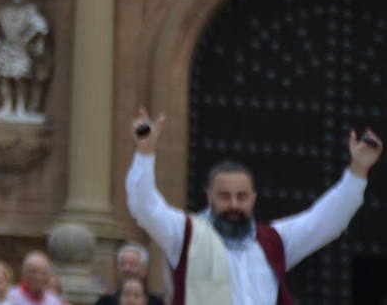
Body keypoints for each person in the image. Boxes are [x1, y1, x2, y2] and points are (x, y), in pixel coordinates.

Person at [125, 108, 381, 305]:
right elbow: (145, 206)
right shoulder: (186, 236)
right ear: (209, 197)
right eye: (225, 196)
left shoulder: (273, 241)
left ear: (253, 198)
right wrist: (145, 153)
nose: (234, 205)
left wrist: (358, 170)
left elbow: (326, 221)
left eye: (241, 196)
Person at [95, 244, 161, 305]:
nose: (126, 269)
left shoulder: (156, 302)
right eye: (122, 264)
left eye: (132, 265)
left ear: (144, 270)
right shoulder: (105, 302)